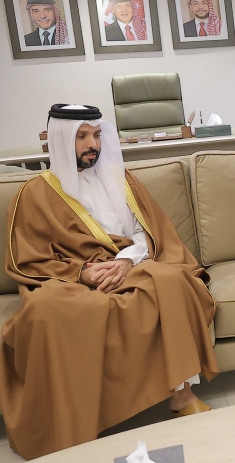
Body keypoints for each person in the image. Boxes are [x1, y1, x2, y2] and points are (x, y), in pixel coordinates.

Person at [2, 105, 218, 459]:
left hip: (127, 266)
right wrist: (82, 273)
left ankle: (182, 396)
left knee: (170, 280)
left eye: (97, 135)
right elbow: (30, 258)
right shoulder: (34, 193)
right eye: (82, 136)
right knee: (48, 310)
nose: (93, 144)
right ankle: (75, 424)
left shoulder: (121, 180)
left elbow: (147, 232)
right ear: (61, 140)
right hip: (72, 278)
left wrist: (125, 261)